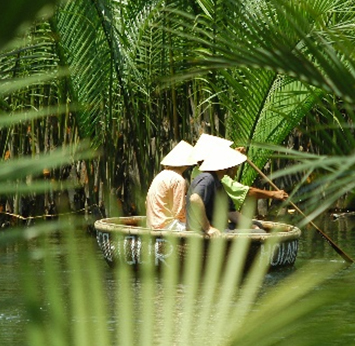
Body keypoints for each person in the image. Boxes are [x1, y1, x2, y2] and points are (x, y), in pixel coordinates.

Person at [191, 134, 288, 211]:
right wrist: (274, 194)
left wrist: (233, 156)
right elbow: (247, 193)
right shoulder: (213, 176)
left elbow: (229, 174)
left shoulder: (197, 170)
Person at [186, 145, 254, 237]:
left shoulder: (218, 183)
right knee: (260, 232)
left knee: (258, 227)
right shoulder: (208, 178)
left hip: (221, 228)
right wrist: (208, 228)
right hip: (203, 232)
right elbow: (194, 199)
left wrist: (252, 226)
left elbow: (231, 212)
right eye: (233, 166)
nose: (235, 168)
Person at [146, 140, 196, 231]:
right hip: (166, 226)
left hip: (153, 223)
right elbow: (179, 212)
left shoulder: (161, 175)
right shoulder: (178, 180)